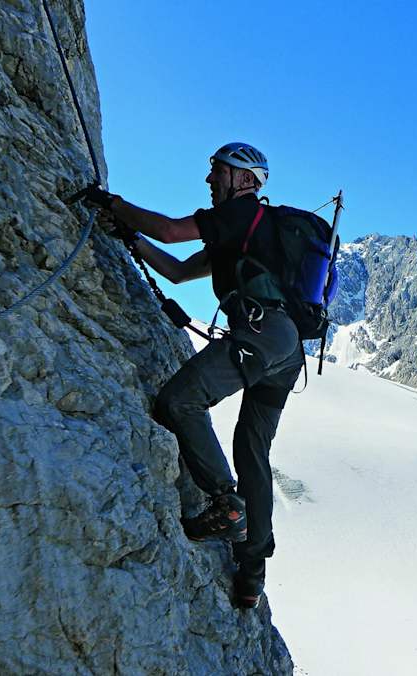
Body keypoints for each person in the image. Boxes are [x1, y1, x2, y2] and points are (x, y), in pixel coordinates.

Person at [83, 142, 303, 609]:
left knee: (180, 400)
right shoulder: (248, 229)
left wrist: (113, 203)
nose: (209, 180)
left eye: (218, 172)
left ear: (245, 180)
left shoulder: (240, 215)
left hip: (260, 334)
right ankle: (252, 572)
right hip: (284, 347)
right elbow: (181, 273)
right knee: (252, 450)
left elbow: (170, 230)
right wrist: (132, 239)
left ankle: (226, 502)